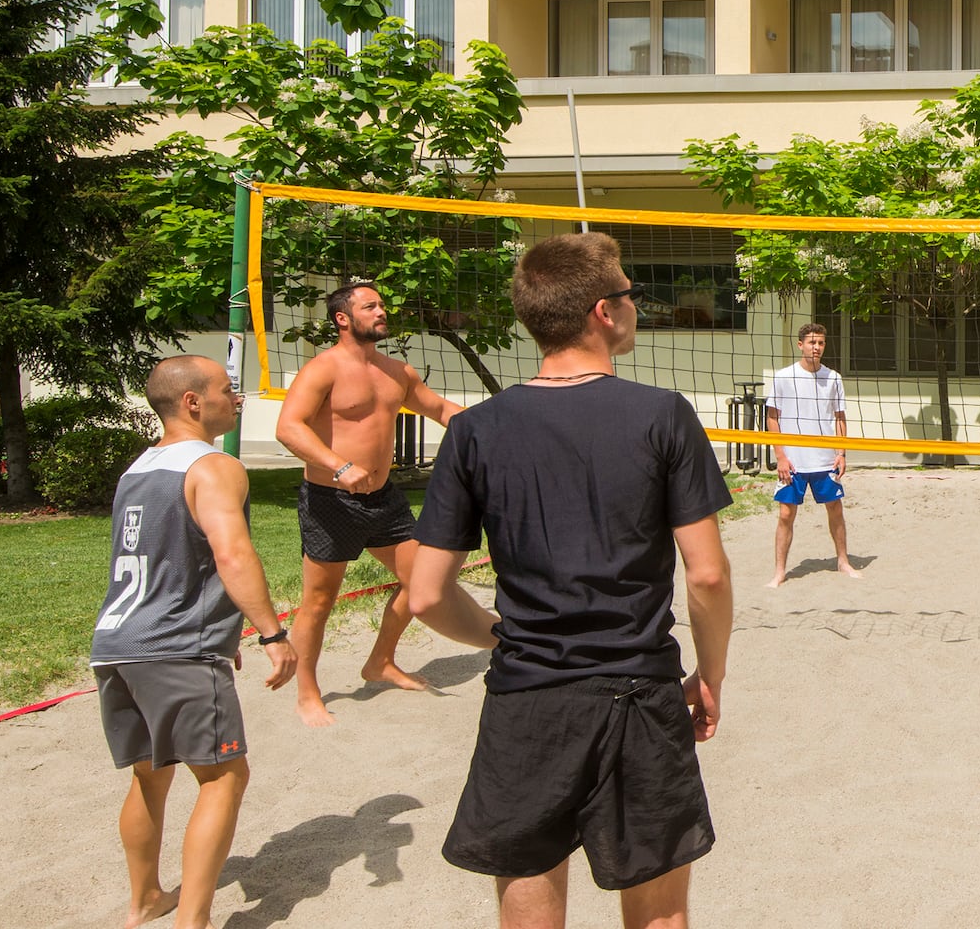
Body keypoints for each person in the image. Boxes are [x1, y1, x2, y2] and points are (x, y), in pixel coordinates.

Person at [406, 232, 735, 929]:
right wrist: (710, 675)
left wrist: (504, 636)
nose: (636, 307)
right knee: (658, 913)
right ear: (603, 311)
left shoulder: (475, 431)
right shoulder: (662, 415)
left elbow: (427, 593)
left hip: (527, 697)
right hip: (638, 690)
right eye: (631, 294)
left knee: (529, 897)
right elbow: (706, 575)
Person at [93, 355, 298, 929]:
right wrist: (272, 632)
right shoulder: (214, 465)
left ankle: (145, 902)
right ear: (192, 402)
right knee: (225, 777)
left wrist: (220, 625)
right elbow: (232, 553)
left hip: (117, 643)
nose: (238, 400)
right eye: (228, 390)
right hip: (175, 647)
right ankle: (195, 922)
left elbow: (170, 560)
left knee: (149, 776)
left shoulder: (139, 467)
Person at [274, 282, 463, 727]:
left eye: (382, 304)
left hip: (383, 498)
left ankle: (380, 662)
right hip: (330, 499)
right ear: (343, 318)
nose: (382, 311)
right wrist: (338, 466)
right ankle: (308, 692)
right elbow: (288, 427)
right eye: (370, 306)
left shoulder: (398, 372)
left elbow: (441, 410)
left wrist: (506, 421)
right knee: (319, 603)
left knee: (420, 584)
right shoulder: (322, 369)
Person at [765, 322, 862, 587]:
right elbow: (772, 418)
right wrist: (781, 456)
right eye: (811, 342)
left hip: (824, 458)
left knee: (835, 509)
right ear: (800, 345)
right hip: (794, 459)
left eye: (820, 343)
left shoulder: (833, 378)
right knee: (786, 514)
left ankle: (843, 561)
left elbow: (840, 417)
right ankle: (779, 572)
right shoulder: (784, 377)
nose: (816, 347)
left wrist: (841, 453)